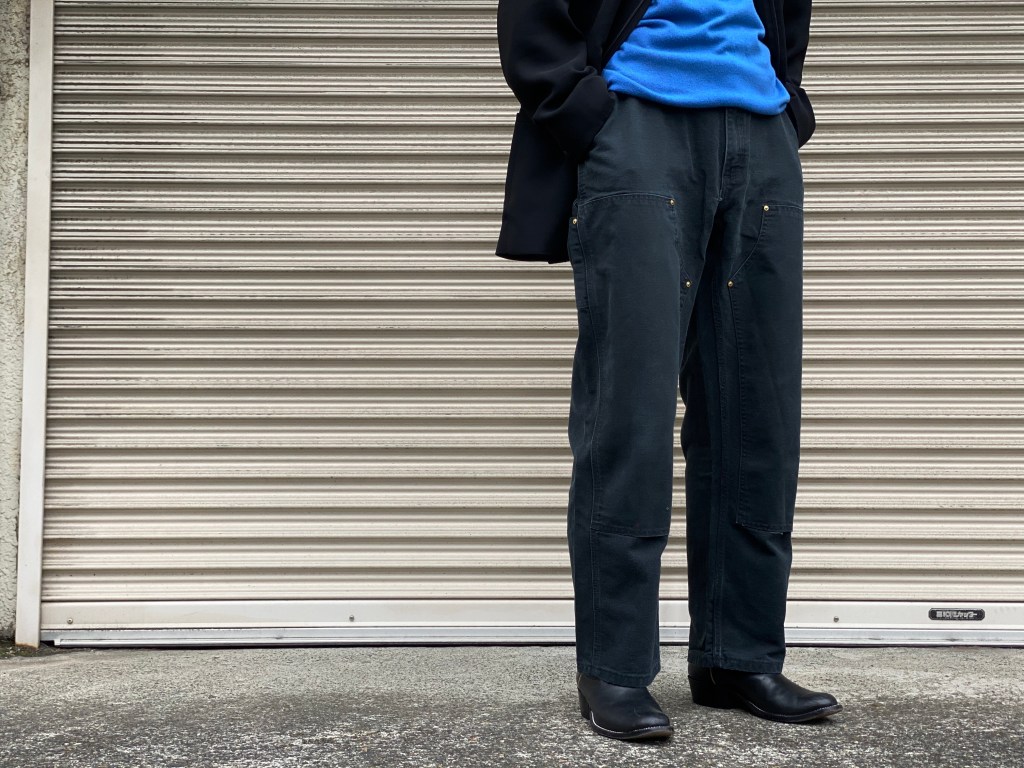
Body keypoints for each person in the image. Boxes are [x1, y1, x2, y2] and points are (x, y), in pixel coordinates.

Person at [495, 0, 843, 741]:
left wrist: (787, 105)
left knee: (758, 419)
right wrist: (585, 110)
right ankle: (615, 668)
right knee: (631, 412)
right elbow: (533, 16)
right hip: (640, 123)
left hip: (759, 130)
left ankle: (738, 658)